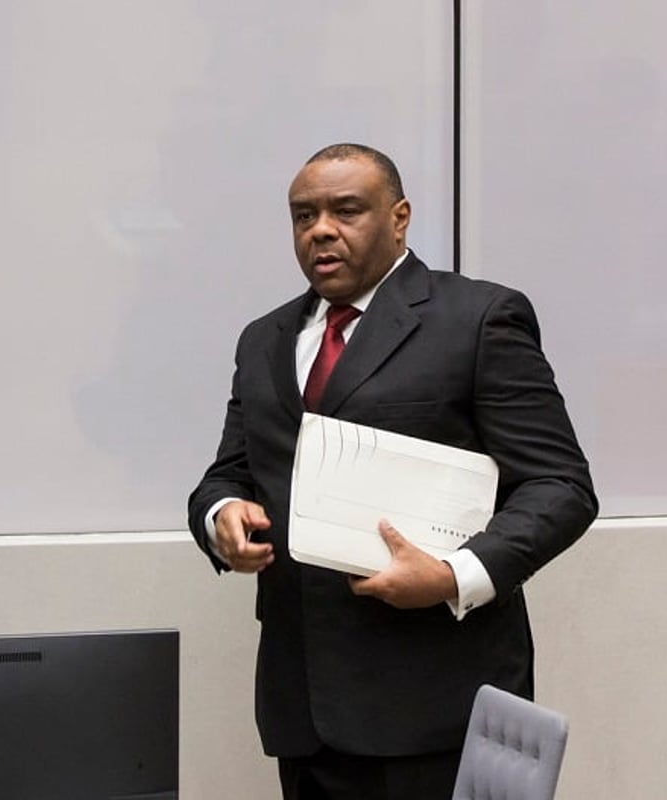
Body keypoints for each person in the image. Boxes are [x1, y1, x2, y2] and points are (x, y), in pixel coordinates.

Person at [187, 144, 597, 799]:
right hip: (303, 711)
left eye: (345, 210)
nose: (319, 229)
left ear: (398, 217)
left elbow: (560, 488)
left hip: (434, 705)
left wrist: (451, 576)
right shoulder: (262, 340)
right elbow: (229, 474)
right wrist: (220, 518)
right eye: (303, 216)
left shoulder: (478, 320)